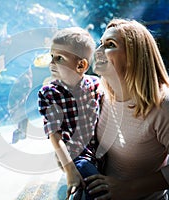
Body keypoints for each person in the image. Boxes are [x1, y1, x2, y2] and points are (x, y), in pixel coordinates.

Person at [85, 18, 169, 200]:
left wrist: (128, 188)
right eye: (100, 44)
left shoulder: (166, 106)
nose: (98, 51)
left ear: (134, 55)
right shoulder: (99, 91)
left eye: (110, 44)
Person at [38, 27, 104, 200]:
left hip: (98, 152)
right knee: (97, 190)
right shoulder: (50, 93)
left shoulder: (95, 85)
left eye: (59, 58)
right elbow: (55, 135)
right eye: (51, 56)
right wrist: (70, 171)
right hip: (73, 157)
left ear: (81, 65)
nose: (51, 63)